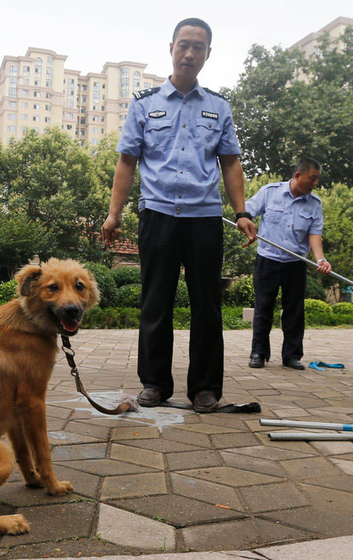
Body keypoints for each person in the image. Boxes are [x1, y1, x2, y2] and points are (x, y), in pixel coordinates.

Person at [101, 17, 256, 413]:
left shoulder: (218, 107)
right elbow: (126, 161)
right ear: (171, 48)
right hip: (158, 215)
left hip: (204, 218)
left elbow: (231, 163)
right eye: (184, 45)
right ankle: (154, 383)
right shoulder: (144, 104)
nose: (190, 53)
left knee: (207, 304)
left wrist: (241, 212)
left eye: (198, 47)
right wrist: (113, 213)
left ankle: (205, 388)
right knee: (156, 301)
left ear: (207, 54)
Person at [244, 157, 331, 370]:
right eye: (312, 178)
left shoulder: (315, 204)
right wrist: (248, 225)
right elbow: (246, 213)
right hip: (267, 259)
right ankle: (258, 353)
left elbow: (314, 235)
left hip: (295, 263)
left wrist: (320, 258)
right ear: (298, 175)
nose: (315, 183)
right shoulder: (270, 192)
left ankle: (292, 356)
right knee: (263, 308)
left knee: (294, 310)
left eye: (317, 179)